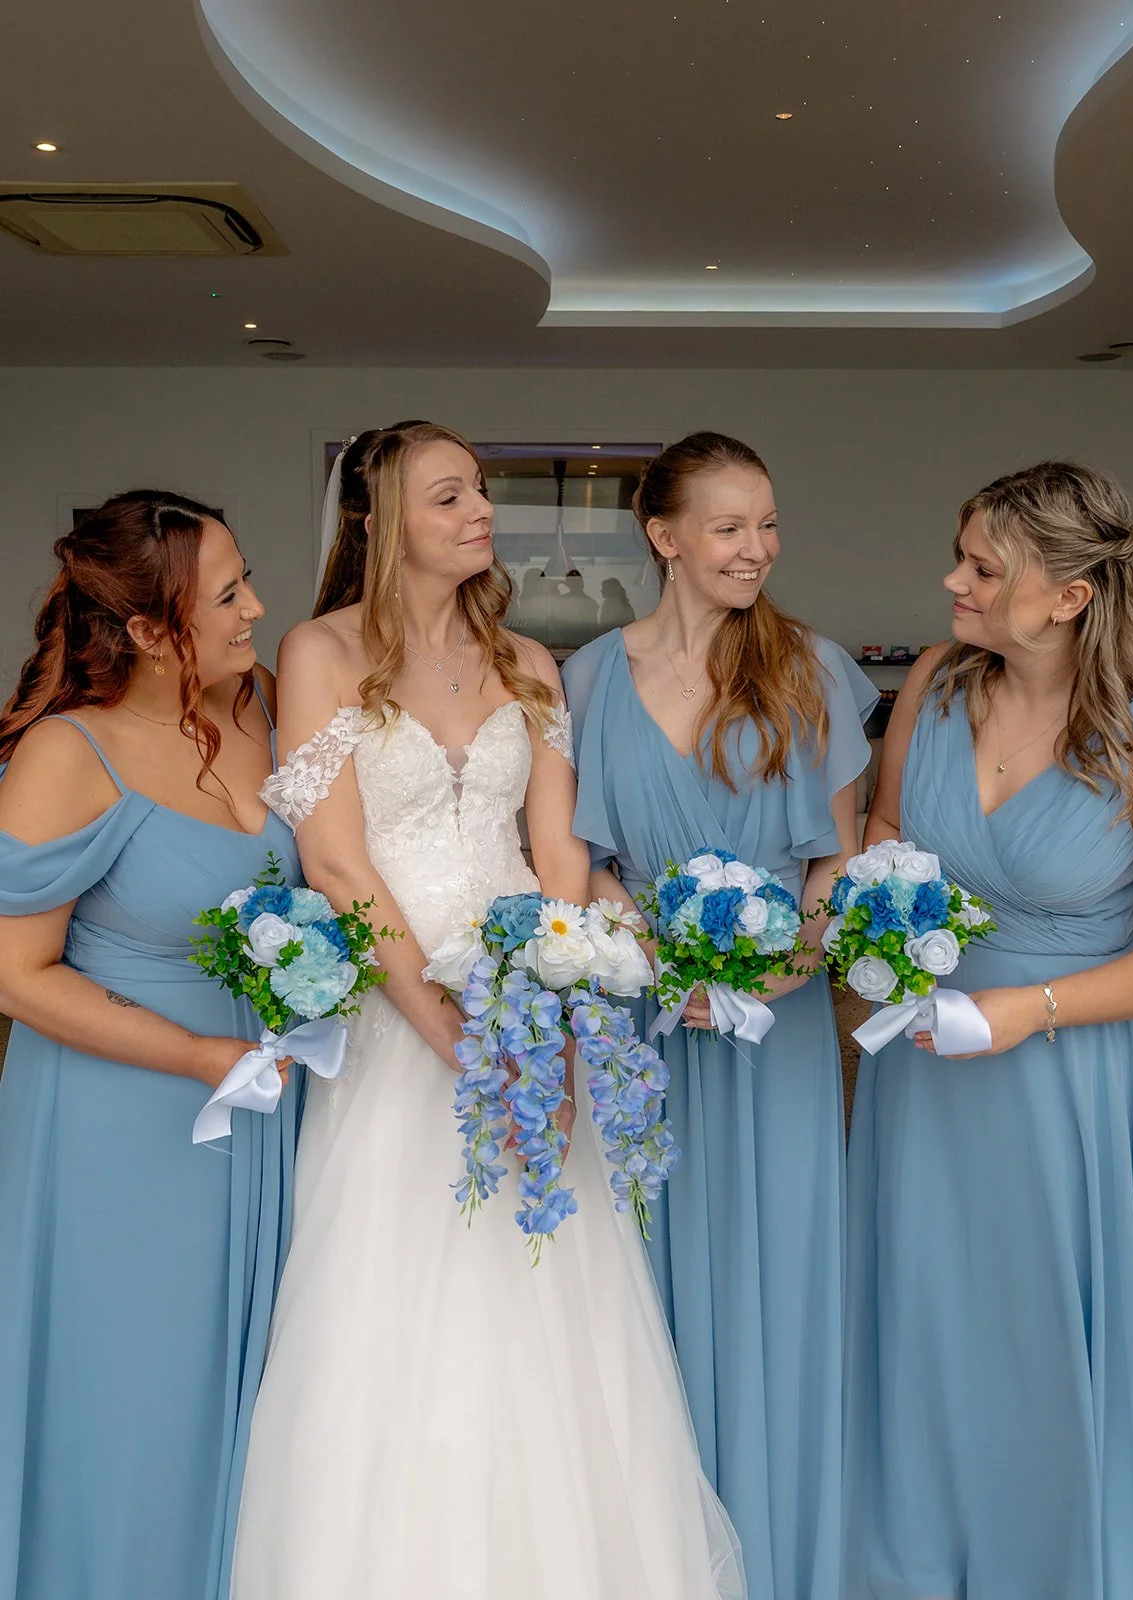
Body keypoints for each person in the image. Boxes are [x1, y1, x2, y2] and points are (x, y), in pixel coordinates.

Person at [231, 421, 745, 1599]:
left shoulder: (527, 661)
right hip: (396, 1004)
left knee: (547, 1281)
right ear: (378, 522)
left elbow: (555, 852)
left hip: (525, 994)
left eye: (477, 491)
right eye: (449, 495)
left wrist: (552, 1003)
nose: (480, 513)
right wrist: (456, 1035)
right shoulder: (318, 651)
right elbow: (338, 866)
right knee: (399, 1292)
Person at [845, 461, 1133, 1599]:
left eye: (984, 568)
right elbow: (885, 832)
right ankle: (913, 1561)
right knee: (924, 1314)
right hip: (924, 1065)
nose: (953, 581)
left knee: (1036, 1329)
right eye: (961, 557)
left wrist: (1024, 1009)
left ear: (1068, 596)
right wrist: (873, 932)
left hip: (1064, 1078)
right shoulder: (936, 681)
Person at [563, 430, 877, 1600]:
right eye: (730, 526)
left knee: (776, 1279)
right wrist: (654, 966)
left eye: (767, 524)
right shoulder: (586, 679)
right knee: (635, 1276)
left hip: (772, 1031)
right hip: (637, 1028)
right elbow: (583, 863)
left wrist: (771, 976)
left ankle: (777, 1554)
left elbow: (834, 865)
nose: (758, 548)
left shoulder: (812, 667)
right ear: (664, 536)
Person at [0, 491, 300, 1600]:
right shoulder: (68, 752)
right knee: (133, 1396)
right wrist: (196, 1057)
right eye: (226, 594)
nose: (254, 607)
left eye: (245, 578)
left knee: (248, 1390)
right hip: (120, 1119)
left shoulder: (263, 708)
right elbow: (17, 976)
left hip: (259, 1104)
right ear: (146, 629)